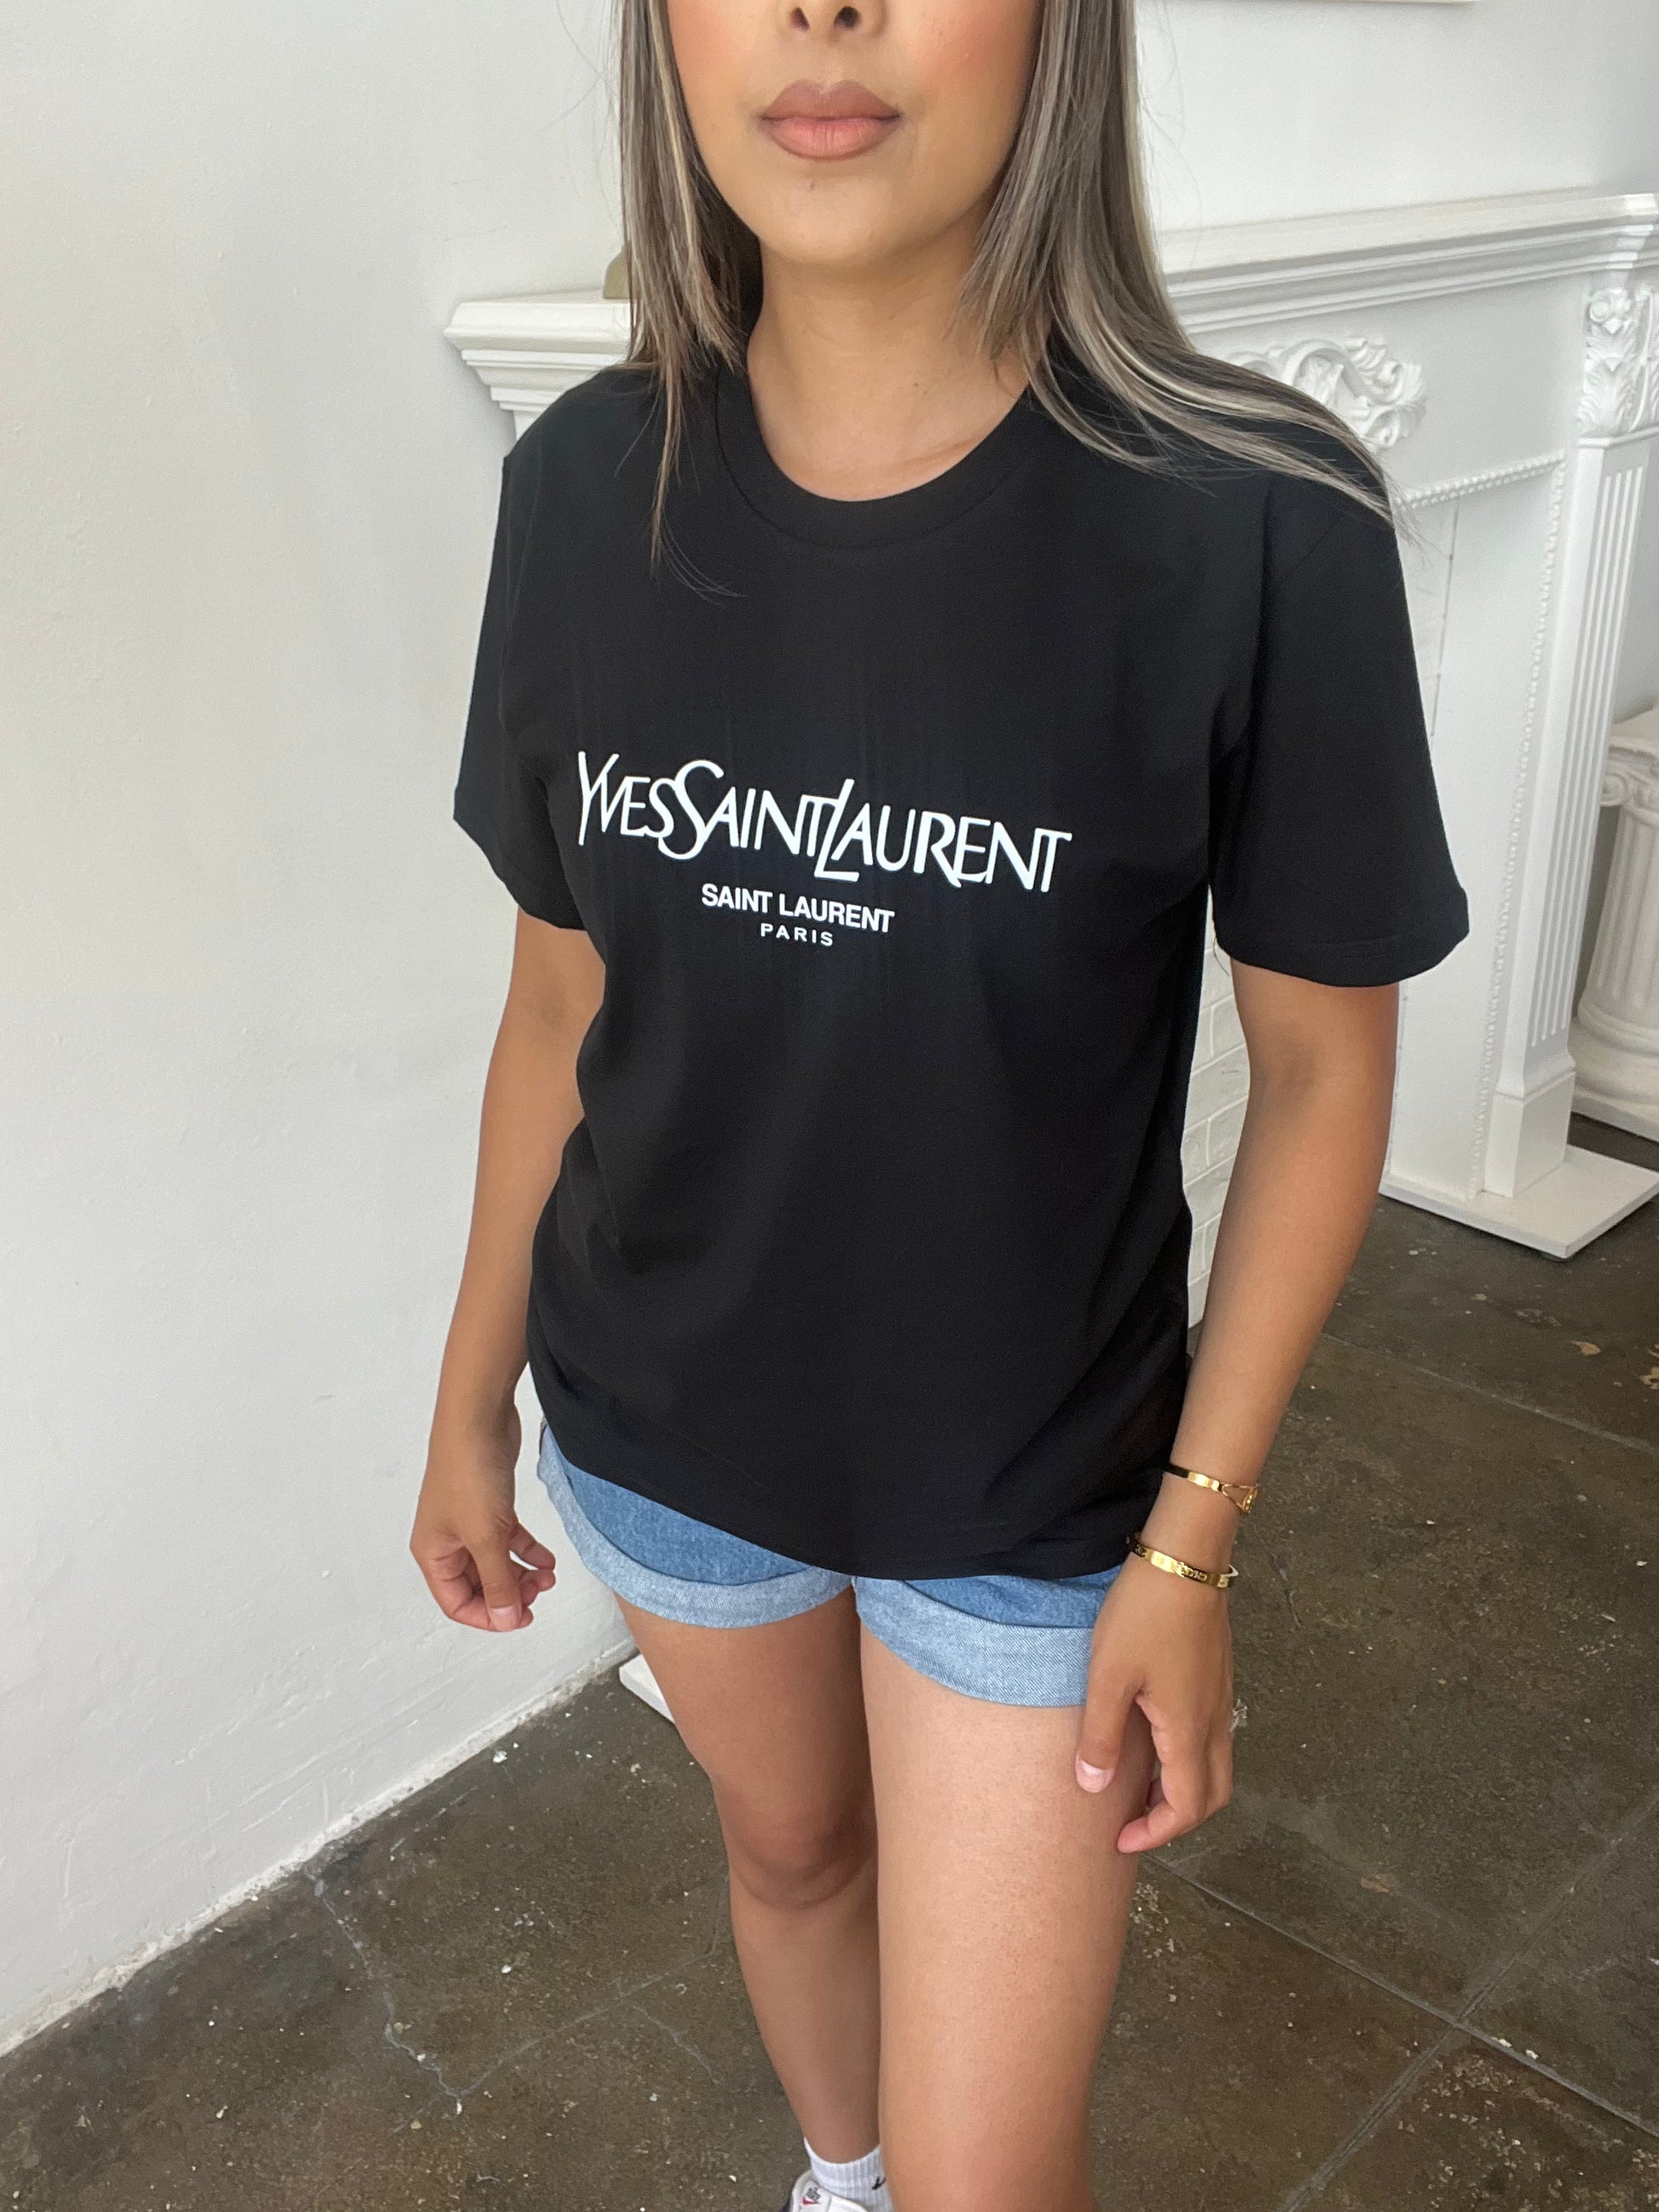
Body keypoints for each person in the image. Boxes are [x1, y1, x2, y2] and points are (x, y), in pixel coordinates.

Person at [410, 2, 1471, 2206]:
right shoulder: (583, 488)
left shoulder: (1256, 520)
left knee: (997, 2172)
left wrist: (1190, 1536)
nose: (824, 9)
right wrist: (465, 1402)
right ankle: (837, 2171)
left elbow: (1318, 1071)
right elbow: (554, 1001)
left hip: (1033, 1484)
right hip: (666, 1424)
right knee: (793, 1857)